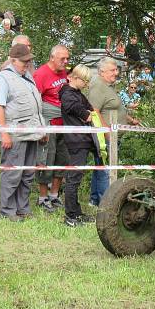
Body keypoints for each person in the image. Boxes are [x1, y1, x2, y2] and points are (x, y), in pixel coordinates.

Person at [0, 44, 46, 221]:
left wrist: (41, 129)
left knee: (27, 173)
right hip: (15, 135)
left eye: (29, 60)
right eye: (24, 61)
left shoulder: (27, 76)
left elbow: (36, 107)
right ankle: (7, 210)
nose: (27, 64)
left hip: (32, 133)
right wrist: (4, 133)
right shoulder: (4, 79)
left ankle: (23, 208)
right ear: (13, 60)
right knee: (12, 173)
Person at [87, 57, 138, 206]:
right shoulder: (98, 86)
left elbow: (113, 108)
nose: (116, 73)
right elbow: (94, 111)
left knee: (101, 167)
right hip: (106, 137)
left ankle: (96, 200)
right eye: (112, 70)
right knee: (106, 170)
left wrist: (129, 119)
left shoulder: (107, 85)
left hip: (113, 135)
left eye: (116, 69)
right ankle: (106, 204)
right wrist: (107, 133)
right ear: (102, 71)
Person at [59, 64, 102, 226]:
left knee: (76, 177)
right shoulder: (67, 93)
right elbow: (73, 106)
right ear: (75, 78)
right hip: (76, 141)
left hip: (83, 139)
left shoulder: (77, 93)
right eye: (84, 81)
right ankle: (70, 216)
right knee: (73, 179)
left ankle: (76, 212)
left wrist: (89, 112)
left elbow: (91, 108)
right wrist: (85, 115)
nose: (86, 84)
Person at [33, 45, 70, 211]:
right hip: (48, 122)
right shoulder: (40, 74)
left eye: (67, 58)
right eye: (63, 59)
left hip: (64, 122)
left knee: (62, 159)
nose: (66, 62)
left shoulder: (63, 73)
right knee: (46, 159)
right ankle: (42, 198)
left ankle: (54, 195)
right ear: (52, 57)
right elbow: (35, 102)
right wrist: (40, 127)